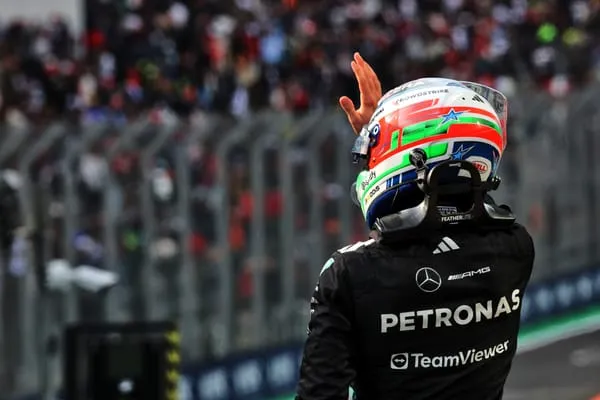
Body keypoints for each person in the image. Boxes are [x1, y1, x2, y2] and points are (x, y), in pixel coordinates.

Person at [295, 53, 535, 400]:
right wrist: (389, 133)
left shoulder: (349, 273)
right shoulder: (515, 247)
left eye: (374, 153)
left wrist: (382, 137)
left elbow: (319, 394)